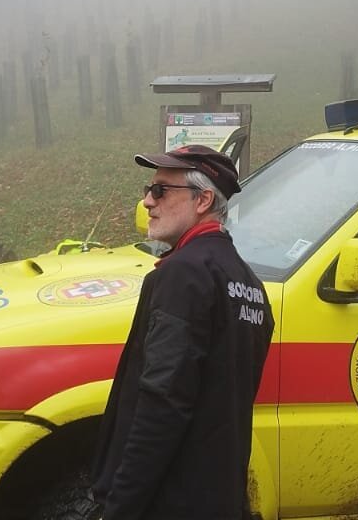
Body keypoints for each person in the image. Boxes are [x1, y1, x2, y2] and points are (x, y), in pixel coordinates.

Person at [90, 144, 275, 520]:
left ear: (203, 199)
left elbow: (163, 402)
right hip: (218, 499)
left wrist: (119, 508)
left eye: (160, 190)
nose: (146, 202)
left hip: (167, 502)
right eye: (147, 190)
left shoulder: (184, 274)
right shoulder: (250, 285)